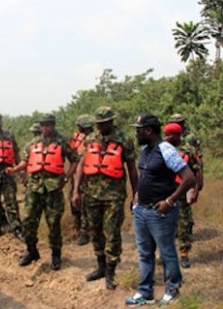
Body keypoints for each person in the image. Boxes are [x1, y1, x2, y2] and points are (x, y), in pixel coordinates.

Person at [125, 114, 195, 307]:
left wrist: (170, 201)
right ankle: (145, 293)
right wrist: (137, 198)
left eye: (138, 130)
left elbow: (189, 178)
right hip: (142, 211)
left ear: (148, 131)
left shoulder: (166, 150)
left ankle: (172, 290)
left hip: (160, 212)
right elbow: (144, 176)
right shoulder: (146, 150)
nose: (136, 133)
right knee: (145, 253)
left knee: (166, 253)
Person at [72, 106, 138, 290]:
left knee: (112, 232)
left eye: (104, 123)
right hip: (91, 194)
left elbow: (132, 169)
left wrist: (136, 194)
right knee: (95, 231)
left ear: (111, 122)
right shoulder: (90, 140)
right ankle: (100, 266)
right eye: (98, 124)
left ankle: (111, 270)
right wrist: (75, 191)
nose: (101, 127)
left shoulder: (124, 140)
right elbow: (80, 165)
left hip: (114, 196)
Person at [6, 114, 79, 270]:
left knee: (53, 224)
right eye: (43, 125)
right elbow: (25, 162)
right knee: (28, 221)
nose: (46, 128)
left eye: (49, 125)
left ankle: (56, 255)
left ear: (54, 125)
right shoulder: (33, 143)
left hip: (54, 189)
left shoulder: (63, 142)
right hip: (34, 188)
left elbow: (75, 160)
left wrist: (66, 178)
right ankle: (32, 252)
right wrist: (14, 170)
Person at [163, 123, 202, 269]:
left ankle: (184, 254)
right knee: (164, 224)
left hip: (183, 190)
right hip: (165, 192)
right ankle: (164, 254)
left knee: (184, 223)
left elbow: (196, 171)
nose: (167, 138)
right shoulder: (161, 149)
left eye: (170, 135)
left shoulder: (188, 150)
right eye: (166, 134)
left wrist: (196, 190)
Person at [69, 114, 94, 246]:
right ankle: (76, 228)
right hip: (76, 175)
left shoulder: (93, 139)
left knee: (85, 203)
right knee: (73, 201)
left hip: (88, 176)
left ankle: (85, 232)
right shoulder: (76, 138)